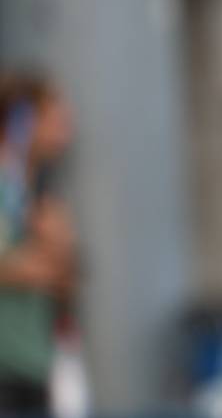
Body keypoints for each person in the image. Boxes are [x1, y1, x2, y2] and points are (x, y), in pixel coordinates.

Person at [0, 73, 78, 415]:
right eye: (54, 119)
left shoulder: (37, 195)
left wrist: (58, 249)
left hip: (33, 364)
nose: (65, 131)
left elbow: (66, 279)